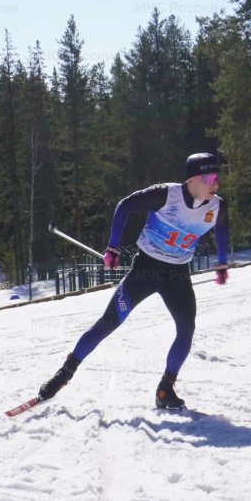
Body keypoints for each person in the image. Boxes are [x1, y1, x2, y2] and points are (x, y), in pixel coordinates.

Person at [38, 153, 230, 409]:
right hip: (145, 270)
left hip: (177, 275)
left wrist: (221, 261)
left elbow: (222, 227)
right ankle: (64, 374)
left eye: (218, 177)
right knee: (107, 323)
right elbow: (125, 205)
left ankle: (165, 390)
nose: (215, 184)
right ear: (192, 180)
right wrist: (113, 246)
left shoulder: (216, 206)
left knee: (186, 329)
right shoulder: (165, 195)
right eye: (210, 178)